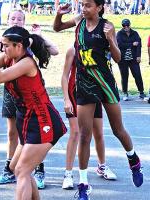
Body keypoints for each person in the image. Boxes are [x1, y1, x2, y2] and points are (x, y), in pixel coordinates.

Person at [53, 0, 143, 199]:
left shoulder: (107, 26)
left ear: (99, 7)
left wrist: (111, 39)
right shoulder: (79, 21)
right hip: (85, 84)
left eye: (88, 5)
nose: (83, 9)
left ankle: (133, 158)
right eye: (82, 5)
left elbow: (118, 58)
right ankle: (84, 183)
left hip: (105, 83)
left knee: (118, 129)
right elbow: (57, 28)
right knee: (85, 135)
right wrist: (59, 14)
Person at [0, 25, 67, 200]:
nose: (3, 48)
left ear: (19, 46)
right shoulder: (8, 57)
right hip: (28, 121)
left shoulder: (27, 63)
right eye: (2, 45)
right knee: (17, 168)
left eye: (6, 45)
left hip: (43, 121)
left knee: (22, 170)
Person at [0, 9, 59, 189]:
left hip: (39, 115)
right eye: (12, 18)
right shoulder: (7, 50)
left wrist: (41, 36)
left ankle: (38, 169)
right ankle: (13, 169)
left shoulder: (25, 53)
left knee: (22, 169)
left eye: (19, 18)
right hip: (22, 107)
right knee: (17, 164)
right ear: (6, 20)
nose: (15, 21)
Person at [61, 46, 116, 190]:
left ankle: (102, 166)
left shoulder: (98, 47)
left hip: (93, 93)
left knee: (98, 132)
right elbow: (64, 76)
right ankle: (68, 174)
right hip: (76, 95)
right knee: (75, 133)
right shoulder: (72, 50)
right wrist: (66, 99)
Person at [117, 19, 146, 101]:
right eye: (124, 25)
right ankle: (125, 93)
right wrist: (131, 44)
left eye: (127, 25)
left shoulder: (135, 33)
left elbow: (138, 45)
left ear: (130, 25)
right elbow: (119, 44)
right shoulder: (119, 34)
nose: (126, 27)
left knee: (137, 75)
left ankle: (141, 92)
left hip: (133, 59)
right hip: (123, 59)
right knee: (124, 76)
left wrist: (138, 56)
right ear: (122, 26)